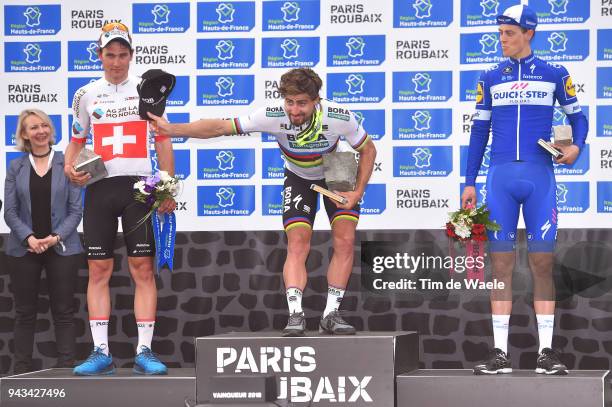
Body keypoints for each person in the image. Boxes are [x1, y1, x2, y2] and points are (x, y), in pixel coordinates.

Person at [148, 68, 377, 337]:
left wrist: (358, 191)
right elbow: (222, 126)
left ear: (316, 100)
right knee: (298, 242)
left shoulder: (338, 116)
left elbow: (368, 149)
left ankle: (331, 314)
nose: (294, 110)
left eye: (302, 103)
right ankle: (295, 315)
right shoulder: (272, 115)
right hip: (299, 174)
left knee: (345, 240)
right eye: (289, 102)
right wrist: (173, 129)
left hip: (337, 168)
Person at [462, 5, 588, 375]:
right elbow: (478, 132)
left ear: (529, 33)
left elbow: (577, 117)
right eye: (500, 33)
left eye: (510, 33)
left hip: (540, 178)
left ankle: (545, 353)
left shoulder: (554, 73)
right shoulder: (489, 76)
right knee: (500, 265)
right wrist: (469, 182)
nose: (502, 39)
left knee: (542, 263)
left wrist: (576, 147)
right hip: (499, 178)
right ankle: (499, 354)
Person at [64, 22, 176, 375]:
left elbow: (163, 139)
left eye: (122, 54)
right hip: (99, 189)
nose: (116, 61)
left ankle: (145, 351)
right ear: (99, 56)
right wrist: (69, 168)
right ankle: (101, 352)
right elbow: (77, 142)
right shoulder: (86, 94)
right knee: (98, 269)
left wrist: (167, 187)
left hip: (138, 189)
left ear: (131, 55)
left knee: (142, 268)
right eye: (109, 54)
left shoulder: (146, 91)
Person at [4, 109, 83, 373]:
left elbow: (75, 211)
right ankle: (20, 373)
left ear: (50, 130)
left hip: (62, 247)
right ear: (24, 135)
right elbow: (10, 211)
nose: (40, 131)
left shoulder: (67, 163)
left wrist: (54, 237)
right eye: (33, 128)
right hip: (23, 249)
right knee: (25, 313)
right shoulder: (15, 167)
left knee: (63, 312)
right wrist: (28, 237)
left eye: (44, 126)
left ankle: (65, 370)